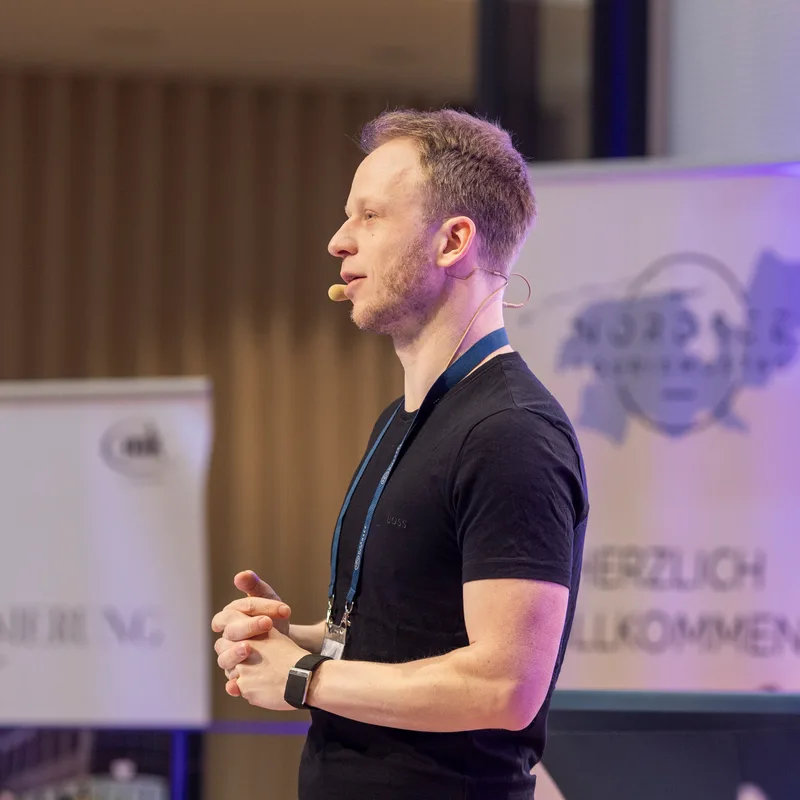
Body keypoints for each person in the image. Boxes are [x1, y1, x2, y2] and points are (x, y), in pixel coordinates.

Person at [211, 109, 588, 799]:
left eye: (370, 216)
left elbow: (505, 687)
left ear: (453, 242)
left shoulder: (510, 432)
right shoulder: (404, 418)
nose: (338, 241)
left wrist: (303, 678)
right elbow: (406, 637)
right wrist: (294, 639)